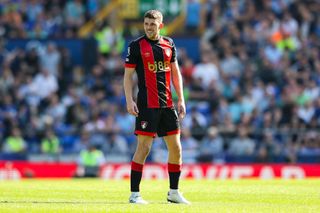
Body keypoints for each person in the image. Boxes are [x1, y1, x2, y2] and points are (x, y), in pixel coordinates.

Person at [123, 10, 190, 204]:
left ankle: (174, 193)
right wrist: (129, 100)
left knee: (176, 148)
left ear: (160, 25)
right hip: (147, 105)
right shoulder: (136, 46)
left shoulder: (169, 44)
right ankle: (135, 194)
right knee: (143, 148)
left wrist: (181, 99)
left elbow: (175, 73)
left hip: (168, 103)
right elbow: (127, 77)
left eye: (152, 24)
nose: (148, 27)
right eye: (146, 24)